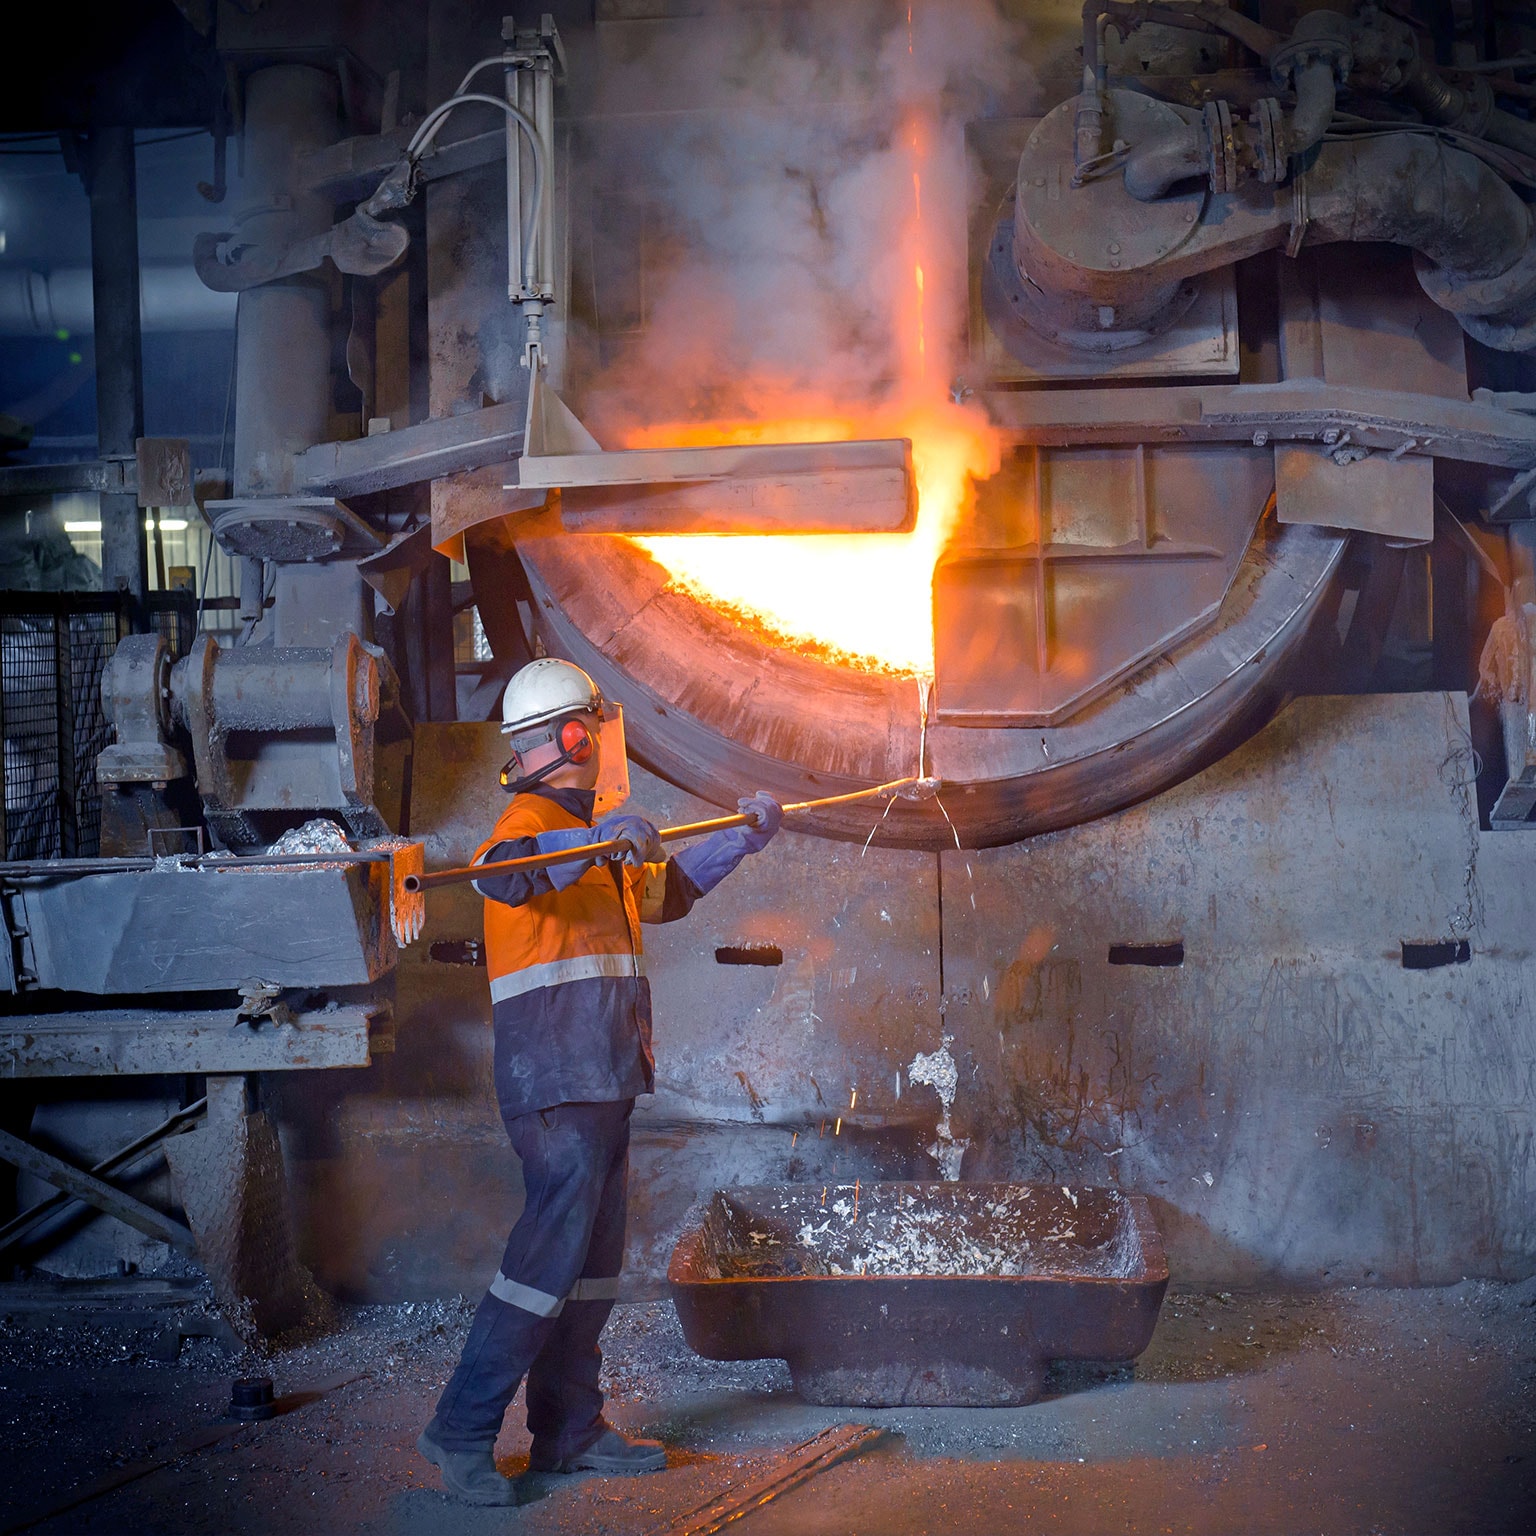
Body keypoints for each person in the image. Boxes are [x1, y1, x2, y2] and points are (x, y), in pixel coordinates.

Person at [417, 657, 782, 1506]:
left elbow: (671, 892)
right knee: (543, 1264)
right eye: (594, 729)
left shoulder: (600, 843)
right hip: (554, 1078)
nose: (601, 744)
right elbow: (505, 871)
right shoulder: (528, 825)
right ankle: (463, 1430)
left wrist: (742, 836)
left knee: (590, 1268)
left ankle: (568, 1430)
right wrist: (591, 842)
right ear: (570, 737)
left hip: (604, 1072)